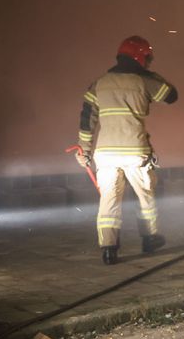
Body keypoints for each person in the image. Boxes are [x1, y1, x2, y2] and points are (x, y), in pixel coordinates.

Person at [76, 35, 178, 265]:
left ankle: (109, 249)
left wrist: (84, 150)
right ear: (141, 58)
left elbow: (86, 120)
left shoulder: (99, 83)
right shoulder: (144, 81)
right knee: (145, 197)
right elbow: (171, 95)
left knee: (109, 200)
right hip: (135, 151)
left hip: (106, 154)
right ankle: (149, 239)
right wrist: (147, 74)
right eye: (148, 59)